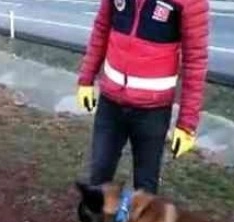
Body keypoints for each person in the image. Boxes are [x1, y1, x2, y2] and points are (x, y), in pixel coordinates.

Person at [76, 0, 209, 195]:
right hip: (110, 103)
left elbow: (195, 61)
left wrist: (187, 123)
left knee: (145, 191)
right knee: (98, 179)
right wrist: (86, 79)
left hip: (153, 111)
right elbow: (101, 28)